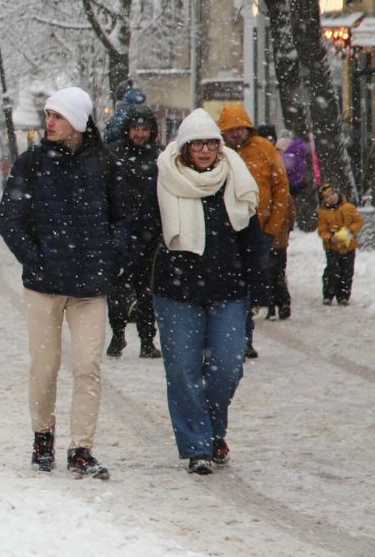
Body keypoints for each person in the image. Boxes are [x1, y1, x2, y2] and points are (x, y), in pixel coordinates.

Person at [129, 108, 267, 475]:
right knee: (183, 370)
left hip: (229, 290)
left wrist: (263, 283)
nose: (205, 151)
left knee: (227, 367)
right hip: (176, 292)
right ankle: (198, 446)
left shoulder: (235, 179)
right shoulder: (164, 180)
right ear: (184, 148)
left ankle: (211, 428)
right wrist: (120, 273)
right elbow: (142, 232)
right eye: (197, 144)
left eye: (211, 143)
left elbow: (252, 239)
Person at [0, 86, 120, 479]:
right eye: (48, 114)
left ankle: (81, 448)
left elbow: (129, 222)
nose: (49, 122)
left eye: (58, 116)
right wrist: (37, 259)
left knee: (88, 367)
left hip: (90, 290)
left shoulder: (104, 164)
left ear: (79, 122)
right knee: (45, 366)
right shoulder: (31, 162)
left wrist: (110, 262)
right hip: (43, 287)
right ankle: (42, 436)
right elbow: (9, 219)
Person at [218, 104, 291, 358]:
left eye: (239, 129)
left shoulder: (264, 149)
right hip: (225, 232)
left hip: (259, 231)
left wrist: (272, 228)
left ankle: (245, 338)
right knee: (228, 288)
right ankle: (225, 338)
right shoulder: (219, 153)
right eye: (230, 130)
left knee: (249, 288)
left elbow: (281, 188)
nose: (235, 134)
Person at [106, 104, 161, 359]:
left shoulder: (159, 159)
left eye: (145, 129)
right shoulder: (112, 155)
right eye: (135, 129)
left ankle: (147, 340)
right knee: (117, 288)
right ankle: (117, 335)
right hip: (120, 232)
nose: (140, 134)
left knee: (146, 289)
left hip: (150, 231)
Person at [317, 184, 363, 306]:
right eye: (327, 197)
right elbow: (322, 231)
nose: (331, 198)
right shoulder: (324, 213)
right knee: (333, 270)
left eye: (332, 194)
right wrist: (330, 238)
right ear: (323, 200)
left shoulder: (349, 207)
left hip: (349, 247)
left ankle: (343, 295)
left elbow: (359, 221)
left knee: (347, 272)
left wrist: (350, 231)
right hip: (332, 248)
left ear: (337, 194)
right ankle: (328, 293)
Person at [278, 132, 316, 232]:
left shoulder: (288, 158)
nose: (277, 152)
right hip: (297, 187)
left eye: (278, 150)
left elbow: (283, 172)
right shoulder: (299, 155)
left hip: (289, 188)